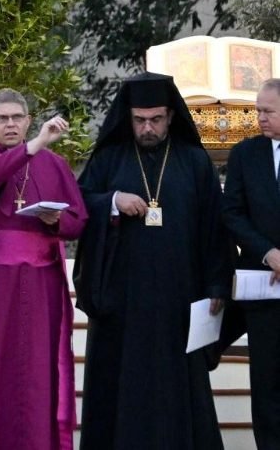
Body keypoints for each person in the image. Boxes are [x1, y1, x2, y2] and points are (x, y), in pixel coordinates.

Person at [74, 72, 229, 450]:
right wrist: (112, 201)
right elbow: (79, 204)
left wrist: (217, 285)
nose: (147, 128)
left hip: (181, 297)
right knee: (122, 386)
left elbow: (216, 227)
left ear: (171, 116)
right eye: (140, 119)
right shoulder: (110, 159)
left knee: (179, 388)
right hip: (122, 303)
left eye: (156, 119)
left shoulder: (194, 162)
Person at [0, 89, 87, 450]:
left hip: (43, 283)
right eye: (2, 119)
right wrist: (35, 144)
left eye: (17, 118)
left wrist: (55, 221)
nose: (10, 124)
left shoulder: (55, 165)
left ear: (27, 120)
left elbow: (79, 220)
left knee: (39, 372)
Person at [223, 77, 280, 450]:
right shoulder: (245, 154)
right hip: (263, 289)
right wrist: (268, 252)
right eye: (256, 110)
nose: (259, 117)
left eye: (268, 111)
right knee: (267, 385)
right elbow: (232, 214)